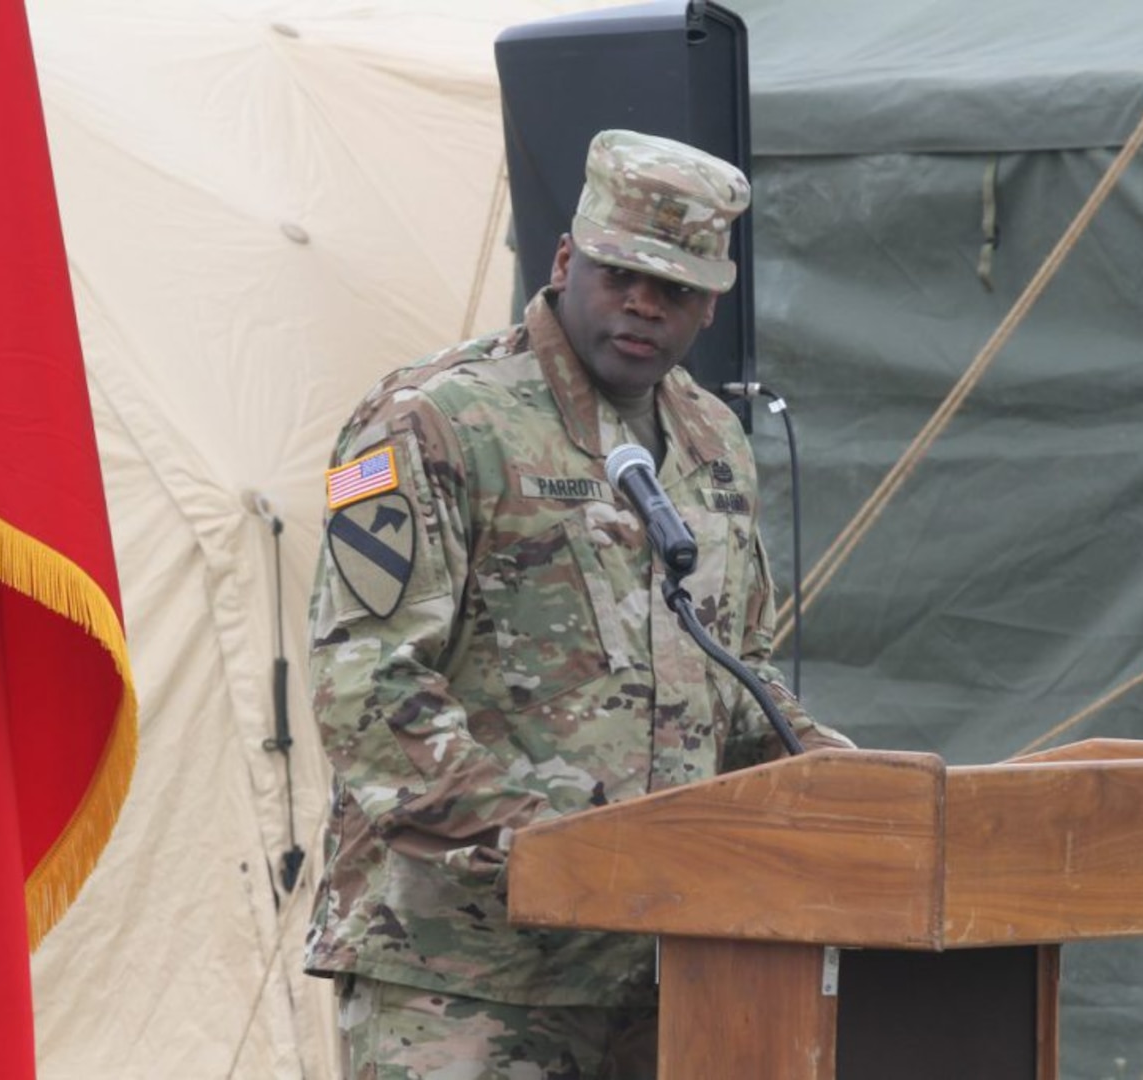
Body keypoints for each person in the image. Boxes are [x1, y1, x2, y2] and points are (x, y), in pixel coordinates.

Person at [304, 129, 853, 1079]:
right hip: (463, 973)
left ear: (710, 301)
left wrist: (845, 780)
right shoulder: (433, 417)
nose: (642, 306)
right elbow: (367, 683)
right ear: (565, 259)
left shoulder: (713, 440)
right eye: (618, 276)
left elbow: (737, 670)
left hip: (664, 968)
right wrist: (558, 851)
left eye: (673, 289)